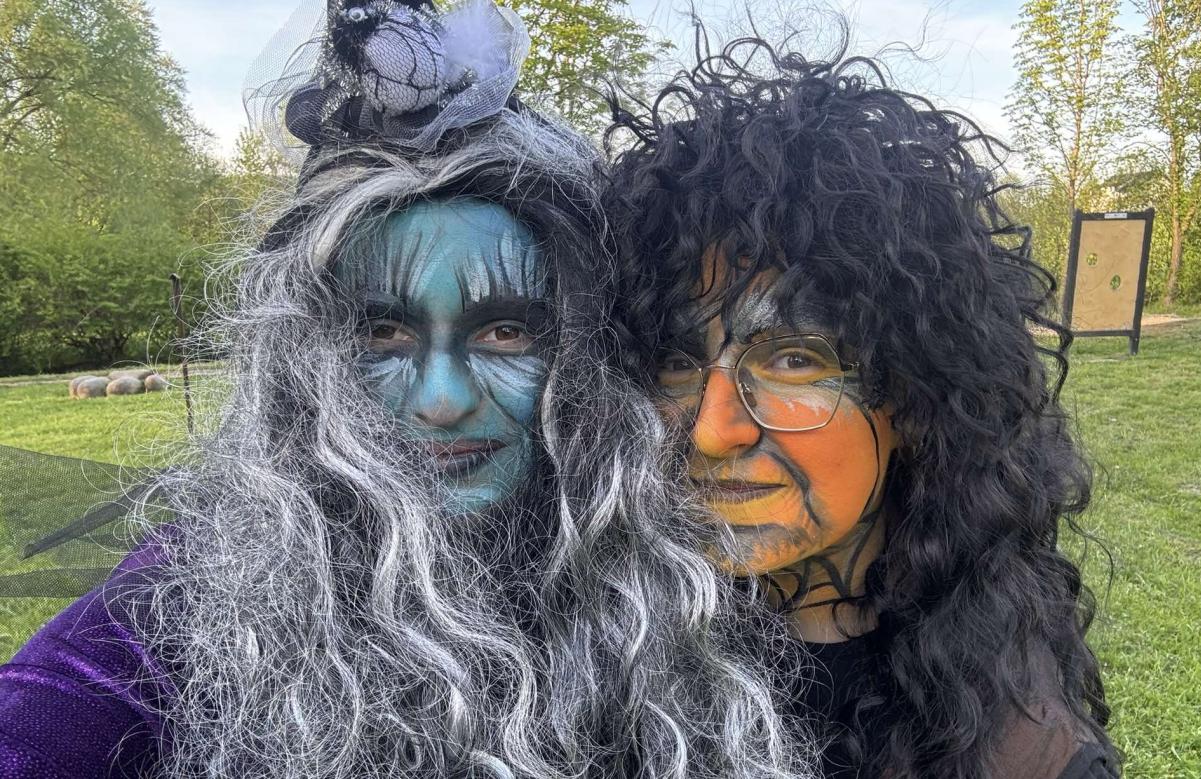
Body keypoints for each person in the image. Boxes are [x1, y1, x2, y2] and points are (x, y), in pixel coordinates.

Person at [0, 5, 812, 777]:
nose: (442, 399)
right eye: (383, 334)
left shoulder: (684, 568)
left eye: (506, 331)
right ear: (305, 359)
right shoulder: (197, 593)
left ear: (585, 348)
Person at [605, 34, 1120, 779]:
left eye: (793, 360)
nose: (712, 432)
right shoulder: (602, 662)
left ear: (915, 394)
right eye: (679, 362)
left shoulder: (1023, 752)